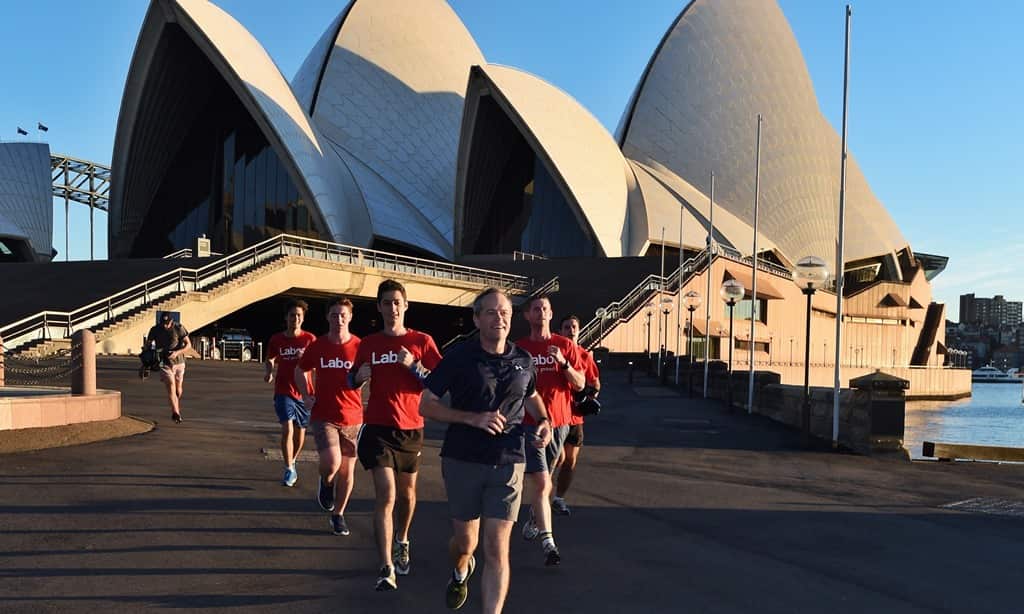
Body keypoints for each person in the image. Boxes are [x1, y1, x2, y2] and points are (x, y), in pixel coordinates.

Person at [420, 287, 551, 612]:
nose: (499, 318)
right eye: (491, 312)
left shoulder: (523, 360)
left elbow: (532, 396)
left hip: (509, 461)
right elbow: (426, 405)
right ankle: (461, 569)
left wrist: (545, 420)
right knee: (466, 543)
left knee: (497, 548)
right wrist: (472, 418)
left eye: (504, 312)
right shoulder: (460, 357)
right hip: (463, 459)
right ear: (477, 319)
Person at [351, 279, 442, 591]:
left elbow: (440, 383)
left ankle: (402, 538)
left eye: (397, 302)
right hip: (377, 427)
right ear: (379, 307)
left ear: (406, 306)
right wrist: (356, 378)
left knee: (406, 495)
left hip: (411, 429)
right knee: (386, 494)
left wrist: (415, 367)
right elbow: (353, 376)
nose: (392, 308)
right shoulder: (369, 344)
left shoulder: (422, 341)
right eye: (386, 302)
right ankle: (385, 566)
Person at [514, 296, 584, 566]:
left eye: (545, 308)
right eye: (535, 309)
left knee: (548, 476)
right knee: (542, 481)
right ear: (528, 316)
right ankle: (548, 542)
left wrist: (564, 363)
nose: (541, 312)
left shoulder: (565, 345)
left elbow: (579, 384)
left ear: (551, 313)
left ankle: (535, 515)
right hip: (530, 424)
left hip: (560, 422)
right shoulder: (519, 348)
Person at [295, 298, 362, 537]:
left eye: (343, 315)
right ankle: (326, 482)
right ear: (327, 317)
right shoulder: (318, 345)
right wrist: (306, 394)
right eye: (334, 315)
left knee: (348, 470)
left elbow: (372, 373)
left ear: (350, 317)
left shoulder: (359, 346)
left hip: (353, 416)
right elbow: (300, 369)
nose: (339, 319)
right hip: (324, 414)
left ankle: (339, 515)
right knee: (332, 462)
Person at [552, 315, 601, 517]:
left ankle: (558, 498)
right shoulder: (553, 353)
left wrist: (588, 397)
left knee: (569, 462)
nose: (571, 330)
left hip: (575, 417)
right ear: (560, 331)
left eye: (574, 327)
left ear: (579, 330)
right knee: (557, 458)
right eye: (566, 327)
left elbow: (595, 383)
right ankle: (541, 500)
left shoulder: (584, 355)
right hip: (556, 415)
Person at [264, 299, 317, 487]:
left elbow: (319, 364)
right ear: (286, 318)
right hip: (283, 390)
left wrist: (307, 360)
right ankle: (289, 468)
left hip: (304, 392)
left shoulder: (310, 339)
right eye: (292, 315)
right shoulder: (277, 339)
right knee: (287, 427)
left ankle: (293, 460)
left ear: (303, 319)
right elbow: (270, 358)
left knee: (300, 432)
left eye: (299, 316)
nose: (295, 318)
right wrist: (269, 372)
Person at [146, 312, 191, 424]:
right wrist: (147, 357)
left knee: (178, 389)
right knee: (170, 385)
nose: (164, 326)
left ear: (171, 321)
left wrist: (177, 352)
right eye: (163, 323)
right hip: (163, 362)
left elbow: (188, 345)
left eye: (167, 323)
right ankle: (175, 412)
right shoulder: (155, 329)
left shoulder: (179, 328)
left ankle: (176, 403)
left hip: (179, 362)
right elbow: (148, 344)